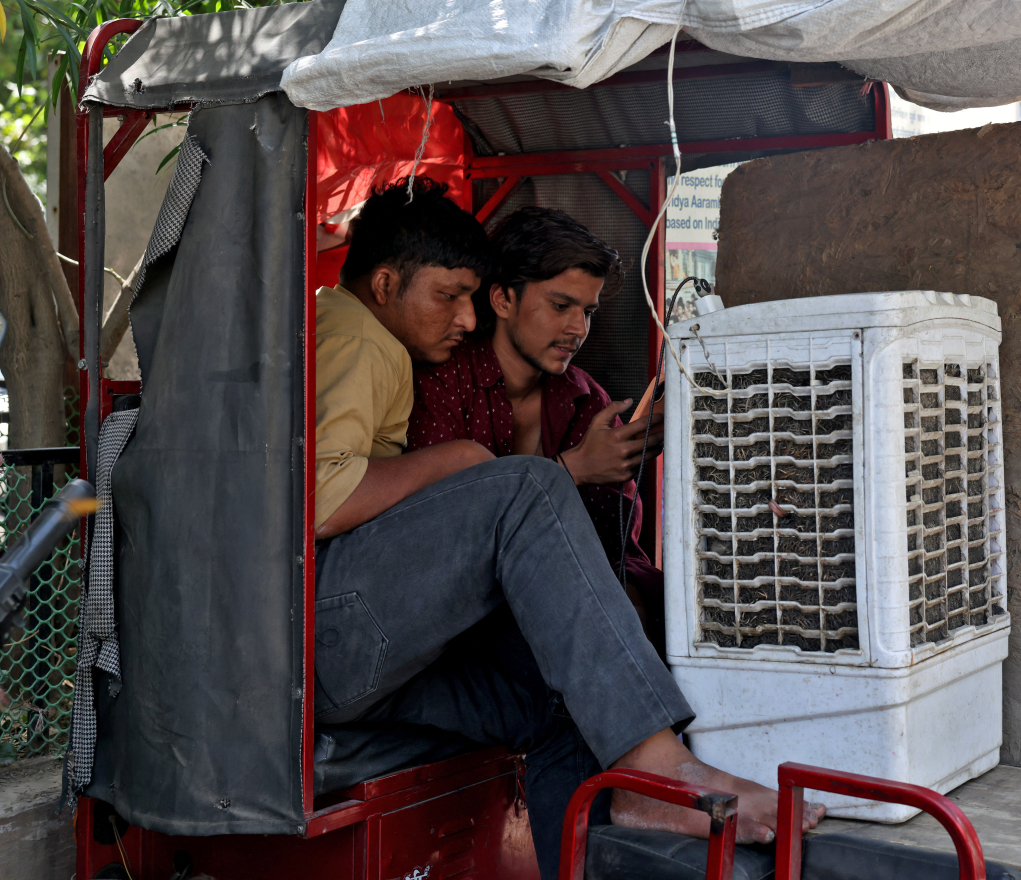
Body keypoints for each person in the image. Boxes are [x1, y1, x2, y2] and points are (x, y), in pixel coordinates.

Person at [312, 177, 822, 880]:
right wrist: (478, 465)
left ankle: (617, 813)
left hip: (401, 646)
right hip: (329, 634)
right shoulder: (367, 345)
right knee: (531, 485)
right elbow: (326, 501)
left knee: (561, 701)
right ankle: (655, 767)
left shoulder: (570, 398)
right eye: (449, 296)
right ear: (386, 282)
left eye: (587, 311)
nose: (460, 317)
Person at [406, 207, 664, 651]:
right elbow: (440, 536)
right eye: (561, 306)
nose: (577, 329)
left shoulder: (588, 401)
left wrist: (625, 460)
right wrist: (571, 471)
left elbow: (616, 550)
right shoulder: (443, 383)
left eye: (588, 312)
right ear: (503, 299)